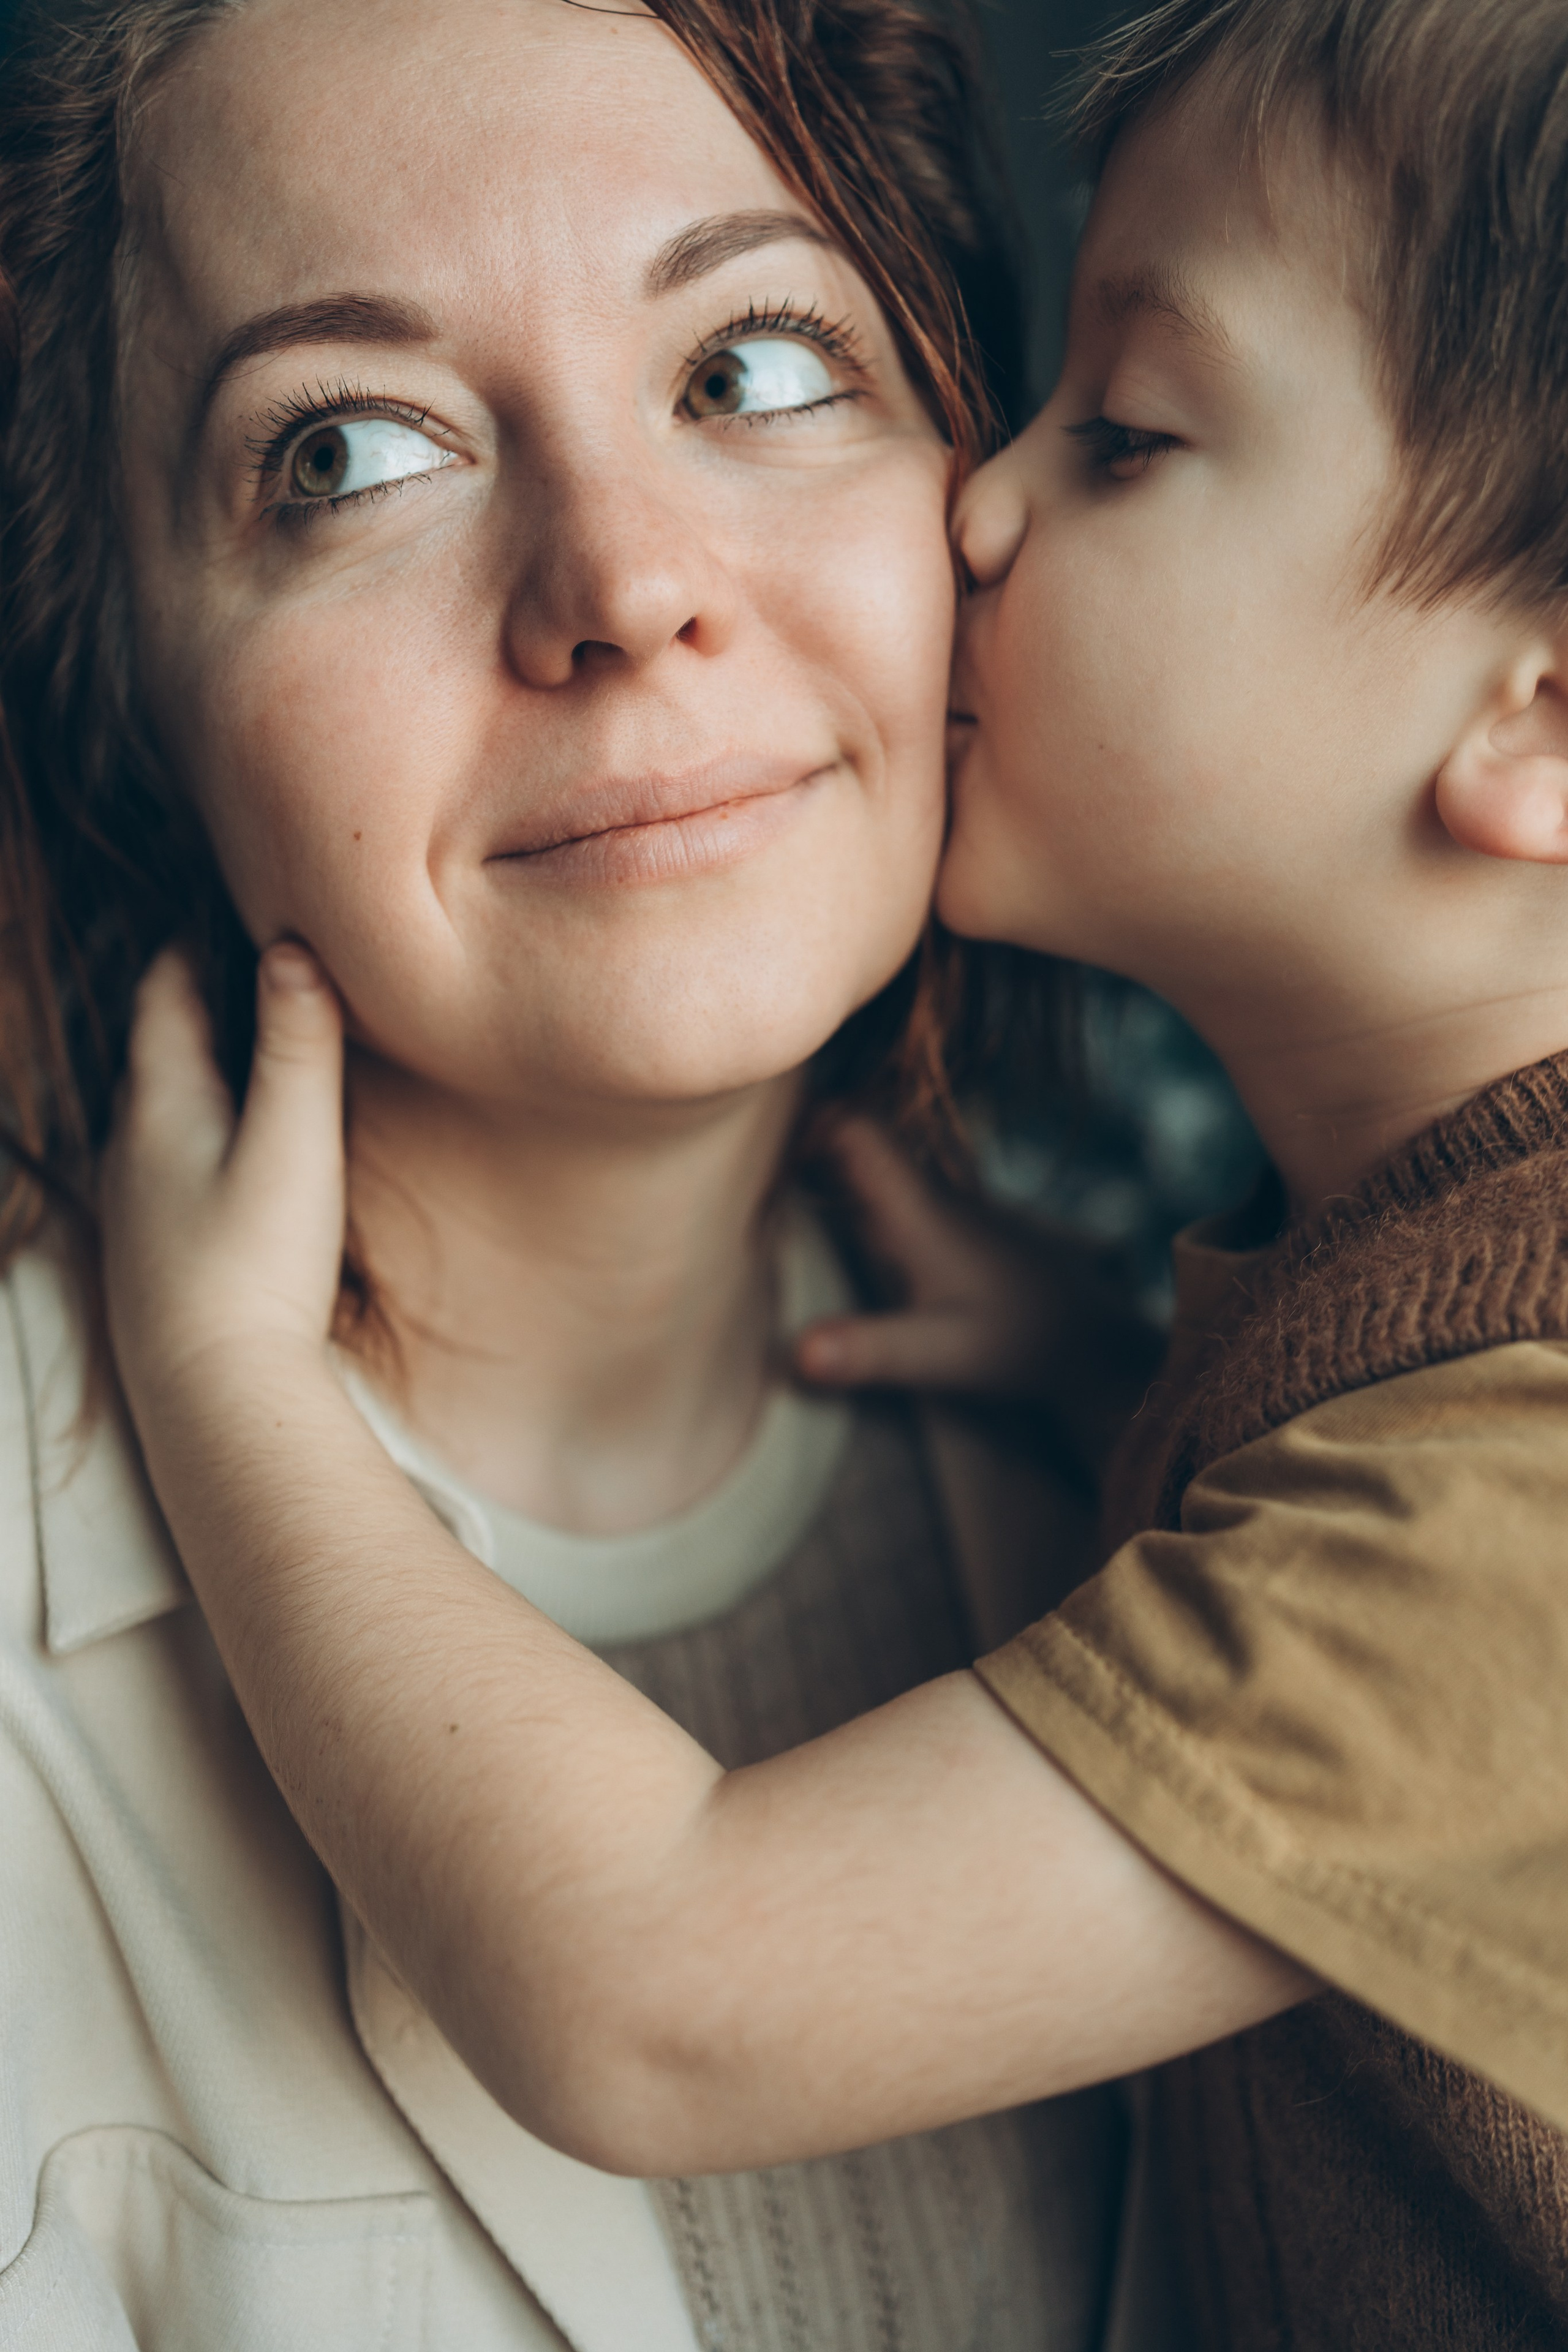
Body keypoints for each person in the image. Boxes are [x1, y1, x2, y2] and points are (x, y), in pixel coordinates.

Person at [97, 0, 1568, 2345]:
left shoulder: (1521, 1480)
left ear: (1543, 715)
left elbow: (654, 1988)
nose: (980, 498)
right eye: (346, 449)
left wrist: (223, 1378)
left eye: (1128, 436)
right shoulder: (1344, 1387)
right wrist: (1126, 1384)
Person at [0, 0, 1164, 2344]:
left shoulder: (1172, 1443)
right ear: (117, 667)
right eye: (344, 449)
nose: (622, 585)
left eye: (751, 366)